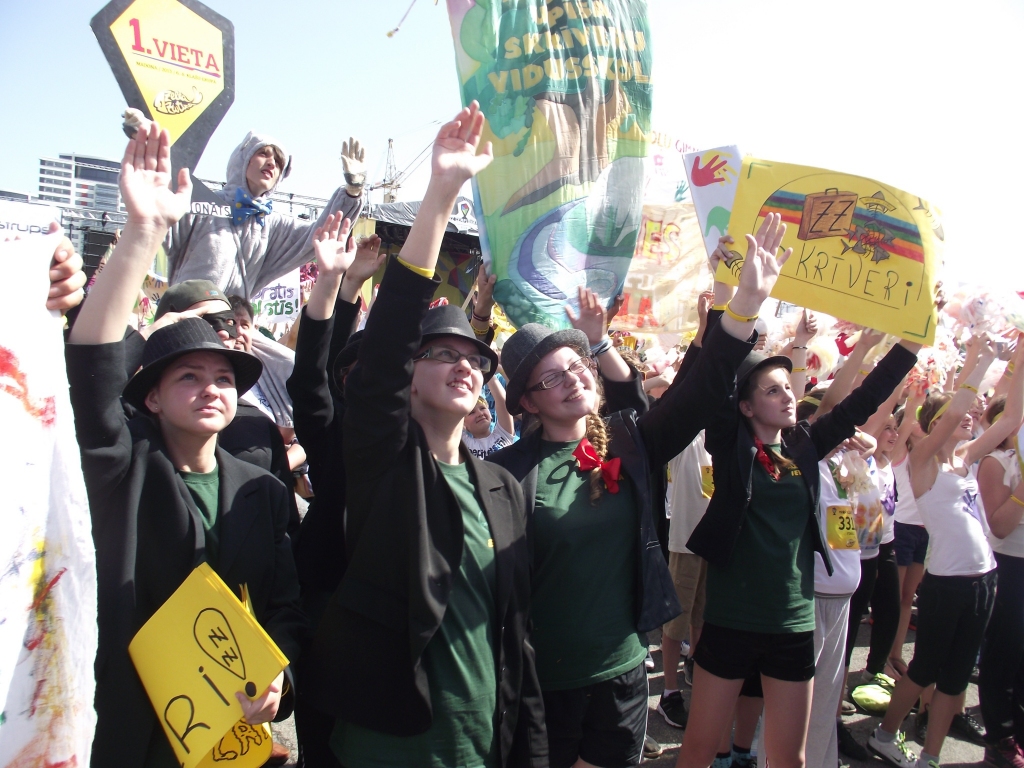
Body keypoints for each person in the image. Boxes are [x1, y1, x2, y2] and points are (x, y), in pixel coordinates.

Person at [491, 214, 794, 768]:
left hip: (623, 675)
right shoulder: (504, 473)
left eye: (576, 365)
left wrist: (744, 300)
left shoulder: (629, 441)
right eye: (550, 378)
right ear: (528, 403)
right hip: (541, 685)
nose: (572, 378)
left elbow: (699, 393)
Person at [302, 102, 547, 768]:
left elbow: (516, 639)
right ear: (407, 377)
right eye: (441, 355)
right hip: (394, 742)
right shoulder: (383, 459)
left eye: (474, 359)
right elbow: (380, 355)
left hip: (483, 743)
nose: (464, 366)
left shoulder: (500, 487)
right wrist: (442, 194)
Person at [65, 120, 306, 767]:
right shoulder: (126, 471)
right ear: (149, 396)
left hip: (231, 741)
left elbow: (283, 605)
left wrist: (278, 681)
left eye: (225, 377)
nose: (211, 389)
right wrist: (144, 233)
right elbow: (92, 371)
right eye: (189, 376)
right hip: (129, 735)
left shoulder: (259, 487)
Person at [678, 290, 920, 768]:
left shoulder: (807, 446)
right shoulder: (730, 446)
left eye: (787, 388)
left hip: (793, 624)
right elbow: (703, 384)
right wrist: (726, 307)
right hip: (731, 619)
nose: (787, 394)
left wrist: (911, 341)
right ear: (745, 408)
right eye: (772, 390)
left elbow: (863, 400)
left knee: (791, 757)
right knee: (700, 748)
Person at [869, 335, 1020, 768]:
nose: (971, 417)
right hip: (946, 583)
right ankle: (884, 734)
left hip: (984, 579)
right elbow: (955, 407)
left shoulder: (967, 458)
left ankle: (930, 757)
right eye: (959, 417)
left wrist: (1021, 357)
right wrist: (984, 358)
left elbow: (1010, 417)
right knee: (925, 669)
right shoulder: (924, 464)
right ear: (934, 427)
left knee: (955, 680)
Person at [285, 212, 386, 766]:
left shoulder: (421, 439)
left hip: (395, 617)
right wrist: (340, 286)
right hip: (329, 608)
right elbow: (311, 377)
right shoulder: (332, 432)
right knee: (325, 744)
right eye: (362, 371)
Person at [123, 110, 365, 298]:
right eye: (264, 154)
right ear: (242, 160)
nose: (272, 163)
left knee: (288, 363)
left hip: (233, 330)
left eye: (278, 162)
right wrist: (147, 142)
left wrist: (352, 192)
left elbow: (323, 234)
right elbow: (158, 201)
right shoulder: (201, 202)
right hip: (185, 319)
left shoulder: (273, 225)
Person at [976, 369, 1024, 766]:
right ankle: (1000, 736)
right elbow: (1002, 526)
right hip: (1009, 566)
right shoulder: (997, 462)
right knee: (1005, 654)